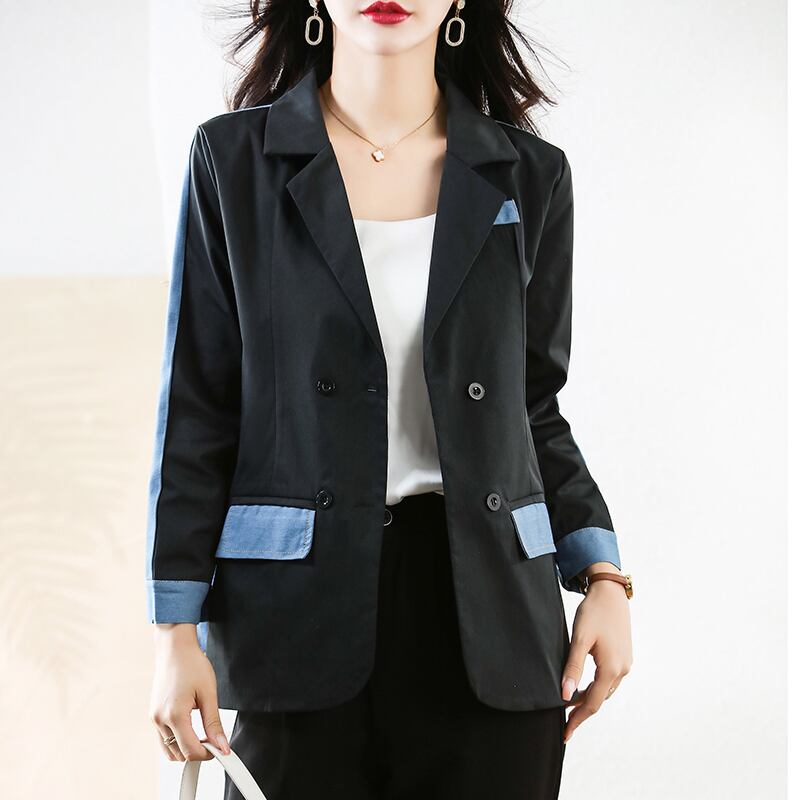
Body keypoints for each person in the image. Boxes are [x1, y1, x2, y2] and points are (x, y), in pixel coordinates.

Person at [146, 2, 634, 798]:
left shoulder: (529, 174)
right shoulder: (232, 161)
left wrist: (604, 577)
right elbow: (199, 412)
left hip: (491, 622)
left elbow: (534, 408)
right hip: (296, 623)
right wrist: (174, 629)